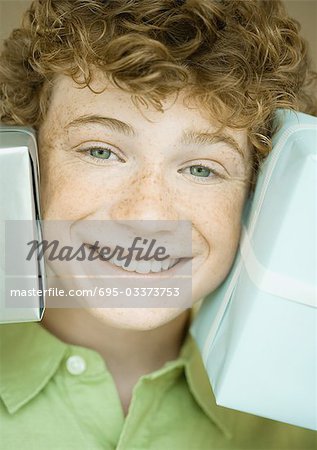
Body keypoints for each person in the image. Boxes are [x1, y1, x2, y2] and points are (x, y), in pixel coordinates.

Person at [0, 1, 316, 449]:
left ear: (256, 196)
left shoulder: (300, 429)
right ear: (26, 161)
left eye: (202, 169)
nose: (147, 215)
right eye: (101, 151)